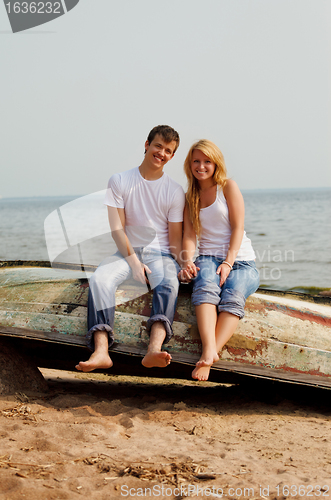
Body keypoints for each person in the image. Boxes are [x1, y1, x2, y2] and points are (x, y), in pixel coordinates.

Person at [76, 125, 185, 372]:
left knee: (168, 282)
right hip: (126, 252)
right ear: (146, 145)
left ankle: (154, 349)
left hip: (161, 254)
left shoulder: (175, 191)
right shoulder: (120, 180)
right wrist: (135, 262)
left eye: (168, 150)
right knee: (100, 279)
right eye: (158, 146)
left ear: (172, 156)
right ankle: (101, 351)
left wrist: (185, 263)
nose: (162, 153)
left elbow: (175, 240)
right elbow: (117, 229)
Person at [179, 140, 260, 381]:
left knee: (233, 294)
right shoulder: (189, 196)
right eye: (196, 161)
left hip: (242, 261)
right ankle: (209, 350)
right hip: (207, 258)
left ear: (216, 164)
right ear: (189, 164)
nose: (201, 166)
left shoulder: (228, 187)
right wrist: (187, 261)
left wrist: (228, 263)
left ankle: (209, 354)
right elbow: (189, 236)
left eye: (207, 161)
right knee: (205, 284)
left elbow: (238, 227)